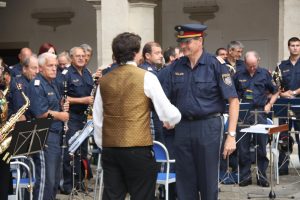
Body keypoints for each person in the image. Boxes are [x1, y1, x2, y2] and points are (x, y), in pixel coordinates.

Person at [93, 32, 181, 200]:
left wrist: (104, 145)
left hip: (111, 149)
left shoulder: (104, 80)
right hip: (138, 148)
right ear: (135, 53)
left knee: (112, 196)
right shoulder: (146, 77)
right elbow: (167, 112)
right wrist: (177, 117)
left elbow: (98, 120)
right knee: (142, 195)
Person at [160, 23, 239, 200]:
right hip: (182, 127)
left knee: (208, 179)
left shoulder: (215, 65)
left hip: (208, 127)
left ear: (200, 41)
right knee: (184, 180)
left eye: (187, 42)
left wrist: (231, 135)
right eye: (181, 42)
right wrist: (165, 116)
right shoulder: (175, 67)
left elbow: (233, 101)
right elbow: (162, 95)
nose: (183, 46)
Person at [28, 52, 69, 200]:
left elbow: (54, 106)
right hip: (44, 135)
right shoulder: (37, 85)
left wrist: (63, 105)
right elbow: (40, 113)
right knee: (46, 179)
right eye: (50, 65)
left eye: (55, 66)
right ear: (40, 68)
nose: (54, 69)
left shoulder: (53, 83)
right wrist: (60, 115)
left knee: (55, 181)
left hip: (56, 134)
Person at [234, 51, 279, 187]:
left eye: (254, 65)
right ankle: (245, 176)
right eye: (249, 66)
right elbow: (232, 94)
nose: (252, 68)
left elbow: (276, 91)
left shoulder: (265, 73)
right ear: (245, 63)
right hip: (243, 113)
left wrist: (269, 104)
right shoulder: (238, 74)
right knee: (243, 147)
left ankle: (262, 176)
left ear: (258, 61)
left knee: (261, 147)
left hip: (260, 112)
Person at [57, 46, 95, 194]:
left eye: (83, 56)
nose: (81, 58)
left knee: (83, 152)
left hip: (85, 118)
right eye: (77, 56)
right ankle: (68, 185)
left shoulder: (87, 73)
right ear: (71, 58)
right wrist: (83, 100)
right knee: (71, 152)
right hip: (71, 117)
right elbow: (62, 99)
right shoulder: (66, 74)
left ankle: (80, 183)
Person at [277, 37, 300, 175]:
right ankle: (283, 166)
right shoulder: (281, 65)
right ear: (288, 47)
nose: (295, 48)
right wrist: (283, 94)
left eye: (297, 45)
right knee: (283, 136)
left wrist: (295, 92)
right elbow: (275, 84)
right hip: (284, 104)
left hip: (299, 104)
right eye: (292, 45)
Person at [140, 42, 164, 143]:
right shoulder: (145, 70)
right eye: (157, 53)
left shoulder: (154, 69)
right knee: (155, 144)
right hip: (150, 113)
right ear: (147, 55)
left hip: (155, 113)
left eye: (161, 52)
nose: (161, 55)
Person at [8, 55, 39, 120]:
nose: (37, 71)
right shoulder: (18, 84)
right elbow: (21, 115)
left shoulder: (35, 82)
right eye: (34, 68)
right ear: (24, 69)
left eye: (38, 68)